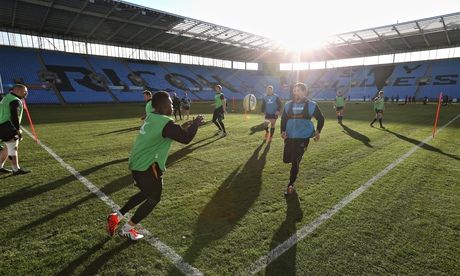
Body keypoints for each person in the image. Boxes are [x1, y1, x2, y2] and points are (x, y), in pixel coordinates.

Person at [105, 90, 204, 240]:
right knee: (154, 197)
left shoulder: (151, 116)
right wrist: (195, 124)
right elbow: (186, 139)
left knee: (145, 192)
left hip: (136, 161)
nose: (172, 106)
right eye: (170, 103)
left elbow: (163, 133)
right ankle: (127, 229)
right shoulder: (166, 122)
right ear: (164, 105)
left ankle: (116, 216)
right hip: (148, 166)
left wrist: (181, 127)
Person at [281, 82, 324, 196]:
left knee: (295, 160)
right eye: (294, 91)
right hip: (290, 137)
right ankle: (297, 160)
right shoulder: (288, 105)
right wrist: (283, 131)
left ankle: (290, 185)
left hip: (303, 138)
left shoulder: (311, 105)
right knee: (286, 159)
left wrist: (318, 131)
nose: (295, 93)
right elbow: (283, 119)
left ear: (304, 93)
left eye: (298, 91)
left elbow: (321, 118)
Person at [0, 84, 31, 175]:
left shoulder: (7, 97)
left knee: (8, 146)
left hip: (2, 124)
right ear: (18, 91)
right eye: (25, 91)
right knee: (13, 147)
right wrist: (17, 129)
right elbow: (14, 115)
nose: (27, 93)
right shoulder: (15, 100)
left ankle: (0, 166)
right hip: (7, 126)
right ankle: (16, 169)